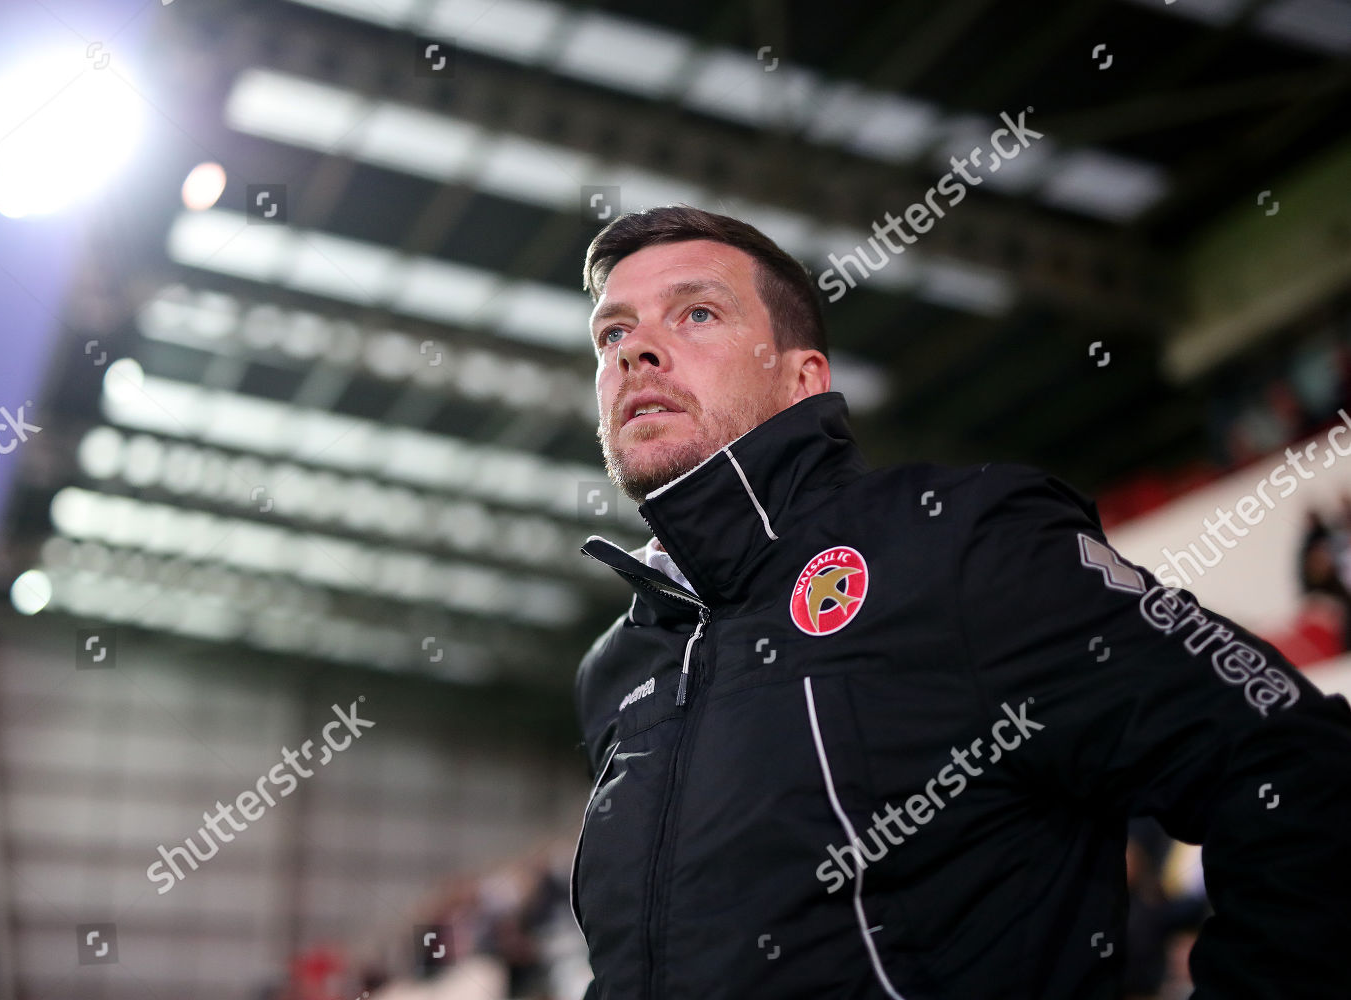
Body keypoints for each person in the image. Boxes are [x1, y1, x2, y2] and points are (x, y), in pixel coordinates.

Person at [566, 205, 1351, 999]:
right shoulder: (621, 666)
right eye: (611, 334)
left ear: (802, 379)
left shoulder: (957, 544)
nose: (637, 351)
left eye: (698, 313)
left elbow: (1298, 763)